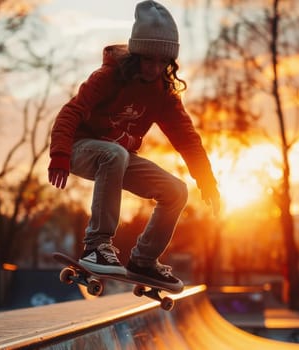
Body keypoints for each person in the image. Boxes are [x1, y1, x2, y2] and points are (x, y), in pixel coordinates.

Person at [48, 0, 220, 293]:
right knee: (114, 154)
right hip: (80, 149)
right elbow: (71, 111)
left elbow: (187, 137)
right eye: (147, 60)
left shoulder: (163, 94)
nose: (154, 68)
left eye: (161, 62)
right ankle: (96, 246)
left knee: (176, 191)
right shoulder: (109, 77)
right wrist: (60, 153)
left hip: (118, 160)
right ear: (136, 55)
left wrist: (206, 178)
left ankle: (143, 260)